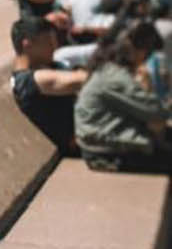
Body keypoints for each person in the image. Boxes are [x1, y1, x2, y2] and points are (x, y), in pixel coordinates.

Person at [73, 20, 172, 172]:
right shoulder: (116, 78)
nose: (147, 58)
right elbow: (157, 112)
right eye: (148, 51)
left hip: (107, 144)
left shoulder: (108, 68)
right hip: (109, 154)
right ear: (136, 49)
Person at [9, 16, 87, 152]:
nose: (54, 47)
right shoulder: (27, 81)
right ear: (27, 44)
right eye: (48, 42)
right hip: (83, 141)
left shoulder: (49, 66)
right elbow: (77, 80)